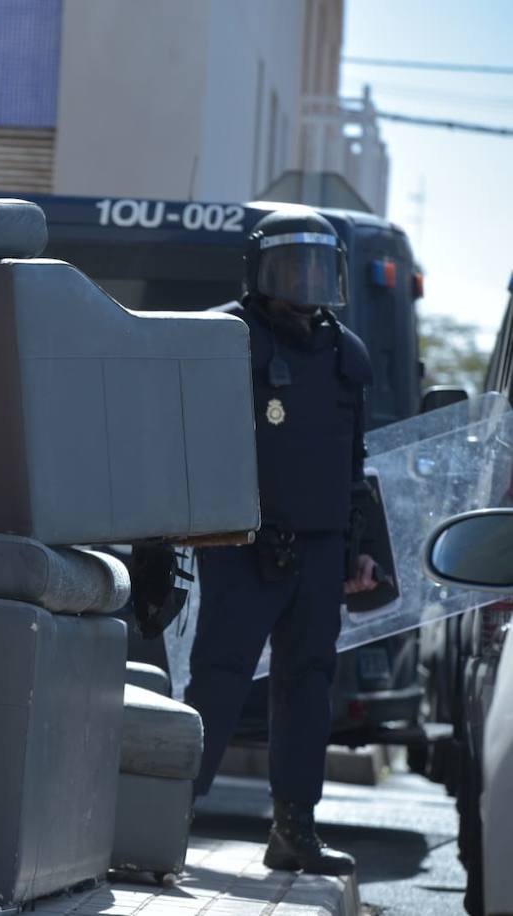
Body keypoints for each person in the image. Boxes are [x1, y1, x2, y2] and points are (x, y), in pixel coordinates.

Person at [185, 207, 379, 876]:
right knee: (219, 678)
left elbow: (354, 466)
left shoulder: (346, 354)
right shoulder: (226, 337)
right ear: (260, 269)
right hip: (242, 544)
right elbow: (187, 445)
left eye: (318, 266)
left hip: (321, 551)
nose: (306, 279)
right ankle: (167, 818)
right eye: (292, 265)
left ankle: (294, 829)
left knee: (308, 686)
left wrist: (360, 546)